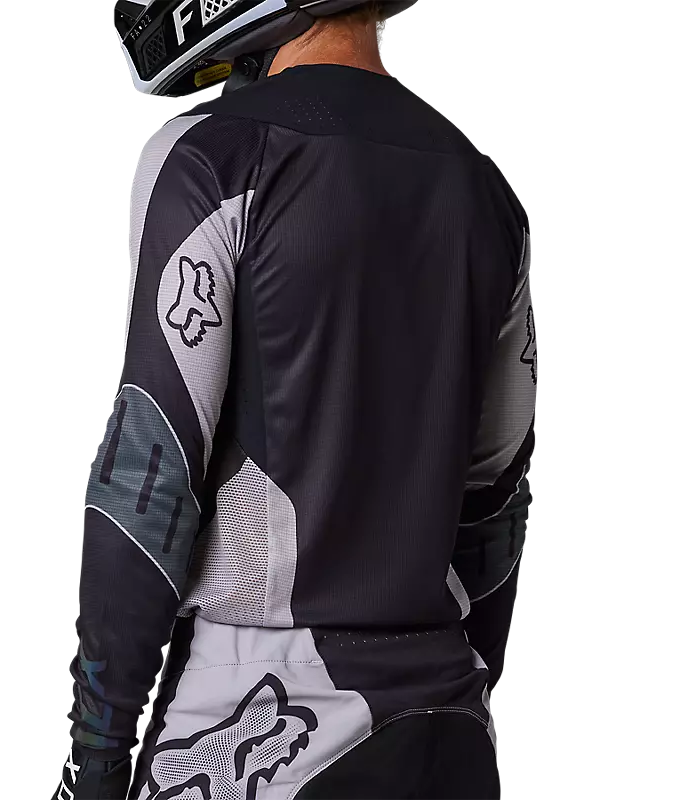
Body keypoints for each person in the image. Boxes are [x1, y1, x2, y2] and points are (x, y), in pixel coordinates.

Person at [51, 1, 537, 798]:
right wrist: (464, 689)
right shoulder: (484, 189)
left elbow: (150, 472)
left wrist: (93, 760)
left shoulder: (213, 155)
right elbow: (497, 496)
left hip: (258, 732)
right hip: (446, 729)